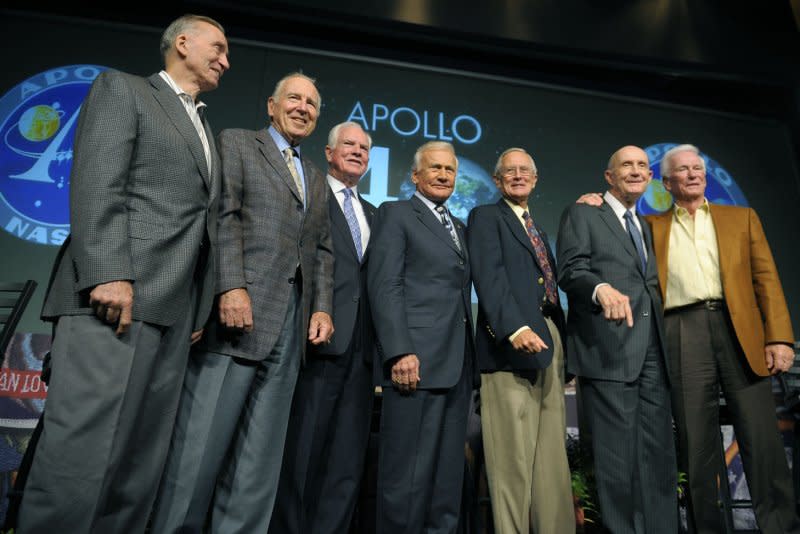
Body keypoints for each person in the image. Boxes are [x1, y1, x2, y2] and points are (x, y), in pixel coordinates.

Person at [17, 14, 229, 533]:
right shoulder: (124, 90)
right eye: (218, 47)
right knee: (81, 457)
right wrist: (110, 272)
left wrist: (199, 304)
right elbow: (97, 183)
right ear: (182, 43)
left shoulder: (203, 124)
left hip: (172, 314)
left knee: (138, 465)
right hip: (113, 299)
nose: (226, 59)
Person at [151, 72, 334, 533]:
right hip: (239, 313)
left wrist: (322, 307)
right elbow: (223, 215)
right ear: (271, 105)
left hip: (291, 328)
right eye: (294, 98)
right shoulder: (237, 143)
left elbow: (323, 250)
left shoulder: (314, 174)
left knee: (260, 458)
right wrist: (230, 286)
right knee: (200, 447)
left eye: (312, 103)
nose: (303, 108)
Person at [650, 144, 798, 534]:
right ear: (667, 182)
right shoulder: (652, 227)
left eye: (698, 167)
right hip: (682, 329)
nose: (694, 174)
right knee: (696, 445)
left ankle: (780, 526)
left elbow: (766, 279)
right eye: (683, 170)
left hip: (739, 330)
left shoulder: (741, 218)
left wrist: (779, 337)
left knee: (761, 438)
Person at [556, 145, 677, 534]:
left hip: (653, 351)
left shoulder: (646, 225)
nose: (636, 170)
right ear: (609, 177)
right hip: (609, 350)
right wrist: (600, 288)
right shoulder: (584, 213)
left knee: (658, 456)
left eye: (643, 165)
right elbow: (571, 270)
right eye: (627, 164)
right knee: (615, 462)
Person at [270, 121, 377, 534]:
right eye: (348, 145)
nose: (357, 152)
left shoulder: (374, 213)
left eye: (364, 148)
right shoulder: (310, 194)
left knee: (346, 460)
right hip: (318, 342)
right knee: (303, 454)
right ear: (330, 153)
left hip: (363, 353)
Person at [367, 141, 477, 533]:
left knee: (446, 481)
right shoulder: (395, 213)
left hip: (457, 368)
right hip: (415, 364)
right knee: (406, 478)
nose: (444, 175)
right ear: (416, 175)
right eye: (435, 168)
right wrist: (399, 351)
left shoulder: (460, 227)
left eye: (450, 170)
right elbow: (385, 286)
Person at [468, 148, 574, 534]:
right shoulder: (484, 217)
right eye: (508, 171)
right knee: (511, 461)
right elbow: (489, 277)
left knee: (551, 462)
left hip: (550, 342)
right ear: (496, 181)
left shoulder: (537, 228)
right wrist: (514, 329)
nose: (517, 176)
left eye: (524, 171)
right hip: (510, 349)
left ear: (535, 179)